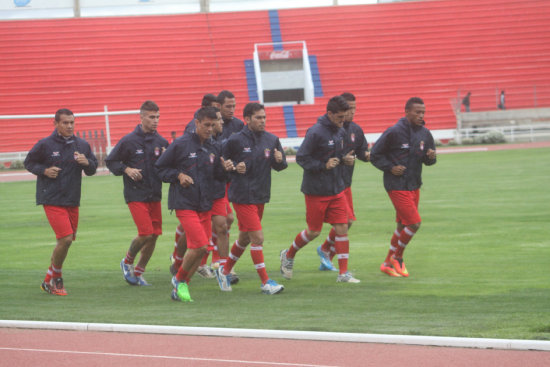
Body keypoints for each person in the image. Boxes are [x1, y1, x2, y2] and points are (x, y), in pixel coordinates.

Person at [155, 106, 234, 302]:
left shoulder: (214, 147)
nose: (209, 128)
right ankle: (179, 279)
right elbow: (160, 168)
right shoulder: (180, 144)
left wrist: (226, 170)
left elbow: (217, 177)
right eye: (206, 125)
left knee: (203, 248)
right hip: (184, 202)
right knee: (199, 246)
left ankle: (181, 287)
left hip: (204, 204)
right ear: (197, 123)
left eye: (212, 125)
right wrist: (178, 175)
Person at [279, 96, 360, 283]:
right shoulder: (315, 132)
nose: (343, 121)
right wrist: (323, 165)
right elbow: (302, 158)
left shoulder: (340, 131)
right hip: (316, 191)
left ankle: (343, 273)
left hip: (337, 189)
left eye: (344, 117)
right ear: (329, 114)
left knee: (342, 227)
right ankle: (288, 254)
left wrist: (344, 159)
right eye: (339, 117)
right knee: (313, 231)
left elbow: (336, 155)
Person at [24, 108, 98, 296]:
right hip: (52, 198)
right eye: (65, 123)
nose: (69, 126)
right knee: (65, 238)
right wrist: (44, 171)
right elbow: (29, 162)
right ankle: (56, 278)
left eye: (72, 122)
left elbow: (93, 168)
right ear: (56, 123)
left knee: (67, 241)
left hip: (72, 199)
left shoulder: (81, 145)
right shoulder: (45, 144)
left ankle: (48, 280)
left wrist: (87, 163)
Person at [216, 102, 288, 295]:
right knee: (258, 238)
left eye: (264, 117)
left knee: (245, 237)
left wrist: (280, 161)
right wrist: (232, 167)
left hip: (261, 195)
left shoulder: (272, 139)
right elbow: (220, 165)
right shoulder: (234, 140)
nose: (262, 121)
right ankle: (266, 283)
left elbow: (280, 167)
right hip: (242, 195)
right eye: (258, 117)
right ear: (247, 119)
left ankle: (224, 271)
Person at [370, 97, 437, 277]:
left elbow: (429, 160)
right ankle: (397, 257)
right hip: (396, 184)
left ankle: (386, 263)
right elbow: (375, 155)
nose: (420, 115)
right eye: (417, 112)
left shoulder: (425, 133)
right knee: (414, 223)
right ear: (407, 111)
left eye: (423, 112)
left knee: (402, 226)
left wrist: (430, 157)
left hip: (414, 185)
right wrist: (391, 168)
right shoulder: (394, 132)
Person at [105, 100, 169, 286]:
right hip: (135, 194)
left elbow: (168, 168)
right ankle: (127, 261)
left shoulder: (162, 142)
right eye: (151, 117)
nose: (155, 121)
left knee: (155, 234)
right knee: (146, 232)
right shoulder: (128, 141)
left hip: (154, 194)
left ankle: (139, 272)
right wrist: (127, 170)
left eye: (157, 117)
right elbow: (112, 161)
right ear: (141, 117)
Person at [316, 92, 370, 272]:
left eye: (354, 108)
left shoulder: (355, 130)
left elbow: (363, 153)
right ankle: (325, 253)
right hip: (329, 184)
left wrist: (374, 156)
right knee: (340, 223)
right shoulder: (328, 131)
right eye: (349, 108)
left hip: (345, 183)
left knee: (347, 222)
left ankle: (326, 252)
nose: (352, 112)